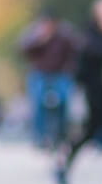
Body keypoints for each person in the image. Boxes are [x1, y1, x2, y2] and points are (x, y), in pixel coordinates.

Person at [54, 0, 102, 184]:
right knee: (87, 134)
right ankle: (62, 166)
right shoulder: (89, 39)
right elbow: (83, 70)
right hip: (94, 97)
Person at [20, 11, 79, 150]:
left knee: (64, 102)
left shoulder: (65, 35)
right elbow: (24, 51)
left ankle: (62, 134)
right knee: (38, 103)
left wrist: (69, 69)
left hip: (60, 74)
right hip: (40, 74)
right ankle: (40, 136)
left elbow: (75, 52)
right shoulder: (35, 34)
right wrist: (39, 40)